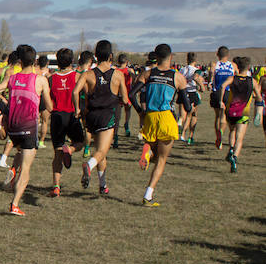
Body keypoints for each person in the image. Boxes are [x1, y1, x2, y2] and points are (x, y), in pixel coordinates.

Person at [0, 44, 52, 216]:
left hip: (13, 126)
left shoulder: (12, 78)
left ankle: (13, 169)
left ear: (19, 61)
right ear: (35, 60)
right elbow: (50, 106)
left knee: (21, 150)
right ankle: (14, 204)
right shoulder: (40, 80)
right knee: (27, 168)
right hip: (29, 126)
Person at [130, 43, 188, 207]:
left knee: (155, 154)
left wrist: (140, 111)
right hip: (166, 118)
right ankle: (148, 195)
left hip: (150, 116)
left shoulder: (147, 74)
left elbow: (131, 94)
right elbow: (187, 105)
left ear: (155, 57)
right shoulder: (177, 77)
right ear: (170, 57)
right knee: (162, 160)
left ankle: (147, 153)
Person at [72, 40, 128, 196]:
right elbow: (124, 98)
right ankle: (88, 166)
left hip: (91, 116)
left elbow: (75, 91)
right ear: (111, 56)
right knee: (102, 151)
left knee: (99, 151)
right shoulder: (118, 75)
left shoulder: (88, 74)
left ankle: (103, 185)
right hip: (107, 116)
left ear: (96, 56)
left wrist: (77, 108)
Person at [48, 48, 85, 197]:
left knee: (57, 153)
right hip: (71, 115)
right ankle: (70, 150)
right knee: (80, 143)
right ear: (72, 61)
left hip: (57, 116)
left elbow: (47, 99)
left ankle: (56, 186)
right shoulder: (77, 77)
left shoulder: (51, 78)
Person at [219, 57, 262, 172]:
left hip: (231, 110)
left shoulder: (232, 78)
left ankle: (231, 149)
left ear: (237, 67)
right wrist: (259, 102)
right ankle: (235, 157)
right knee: (240, 137)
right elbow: (258, 95)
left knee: (232, 131)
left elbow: (223, 86)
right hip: (243, 112)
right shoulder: (252, 81)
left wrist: (221, 101)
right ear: (248, 68)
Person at [209, 46, 237, 150]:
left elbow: (211, 75)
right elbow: (237, 76)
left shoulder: (214, 64)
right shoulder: (232, 65)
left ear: (217, 54)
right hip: (229, 93)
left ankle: (218, 136)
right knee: (224, 116)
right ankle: (222, 132)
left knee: (218, 116)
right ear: (228, 55)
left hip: (217, 92)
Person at [178, 52, 205, 143]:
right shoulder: (197, 70)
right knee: (192, 115)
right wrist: (201, 86)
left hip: (183, 92)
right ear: (195, 60)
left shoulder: (182, 69)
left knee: (183, 115)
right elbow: (197, 78)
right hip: (192, 92)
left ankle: (180, 123)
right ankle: (189, 136)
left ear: (187, 59)